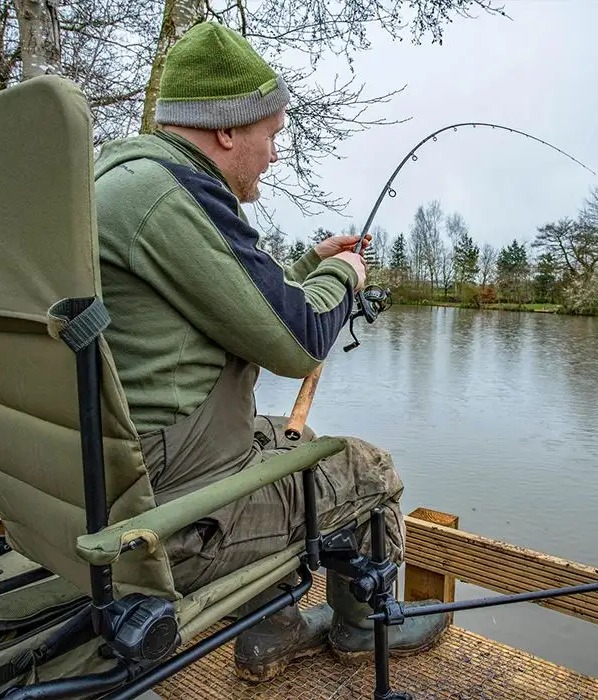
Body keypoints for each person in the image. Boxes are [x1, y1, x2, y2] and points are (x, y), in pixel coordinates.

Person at [93, 21, 448, 683]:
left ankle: (273, 630)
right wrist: (344, 275)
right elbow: (299, 340)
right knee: (369, 472)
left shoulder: (123, 183)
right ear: (229, 129)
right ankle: (363, 628)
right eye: (273, 134)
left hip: (109, 481)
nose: (275, 154)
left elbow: (227, 301)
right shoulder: (172, 197)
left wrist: (308, 265)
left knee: (293, 436)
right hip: (170, 517)